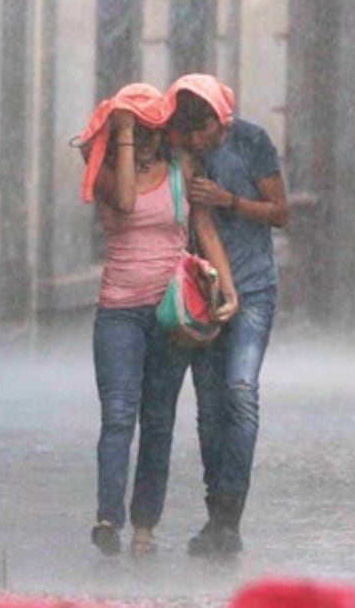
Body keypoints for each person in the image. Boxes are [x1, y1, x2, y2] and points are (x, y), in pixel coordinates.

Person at [74, 83, 238, 556]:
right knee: (119, 415)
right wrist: (121, 134)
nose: (146, 136)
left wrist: (227, 284)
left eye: (149, 127)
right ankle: (108, 516)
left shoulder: (180, 167)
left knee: (159, 419)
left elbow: (202, 225)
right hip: (119, 314)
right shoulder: (103, 169)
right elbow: (125, 201)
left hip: (169, 311)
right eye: (136, 127)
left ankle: (145, 524)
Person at [163, 74, 290, 557]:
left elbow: (281, 213)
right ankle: (216, 514)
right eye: (191, 131)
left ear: (221, 119)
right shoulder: (180, 149)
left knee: (241, 392)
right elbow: (198, 225)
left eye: (205, 130)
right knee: (210, 409)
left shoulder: (252, 141)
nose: (199, 139)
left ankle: (231, 516)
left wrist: (230, 201)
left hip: (255, 287)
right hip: (200, 292)